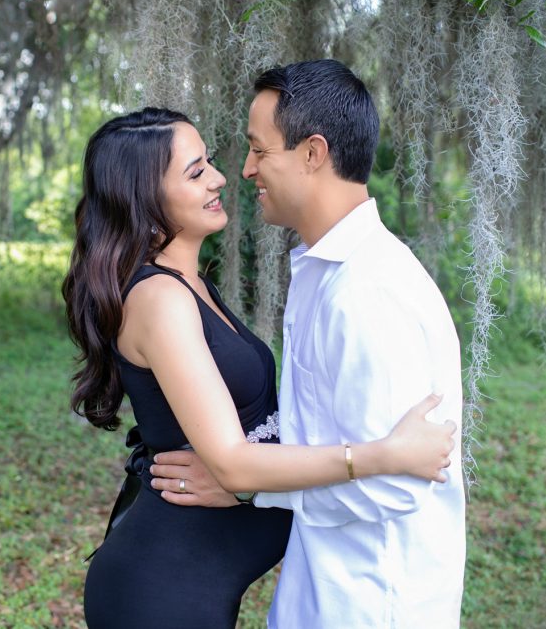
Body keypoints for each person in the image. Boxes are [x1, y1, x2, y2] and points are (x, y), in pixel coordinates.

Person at [62, 107, 457, 629]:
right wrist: (386, 454)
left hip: (196, 584)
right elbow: (233, 465)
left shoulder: (193, 285)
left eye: (208, 163)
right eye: (196, 171)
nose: (222, 177)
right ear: (144, 198)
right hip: (163, 591)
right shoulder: (160, 299)